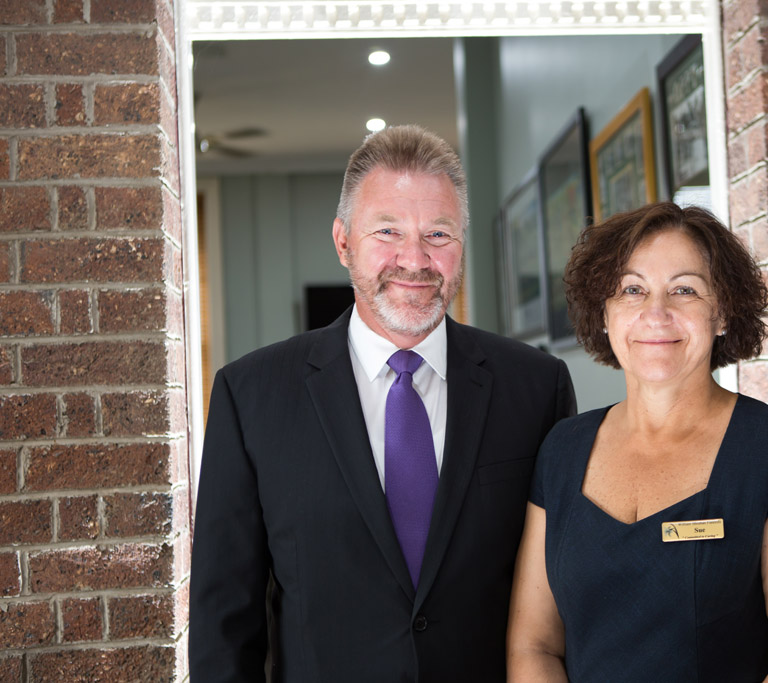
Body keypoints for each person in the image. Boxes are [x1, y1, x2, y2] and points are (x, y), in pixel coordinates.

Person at [190, 125, 576, 682]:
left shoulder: (537, 387)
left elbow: (567, 591)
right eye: (388, 231)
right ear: (343, 241)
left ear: (461, 244)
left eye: (438, 234)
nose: (414, 259)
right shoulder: (250, 394)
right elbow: (223, 620)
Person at [507, 202, 768, 682]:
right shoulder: (562, 450)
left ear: (722, 313)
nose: (656, 312)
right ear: (604, 314)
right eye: (632, 290)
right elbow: (533, 646)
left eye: (684, 289)